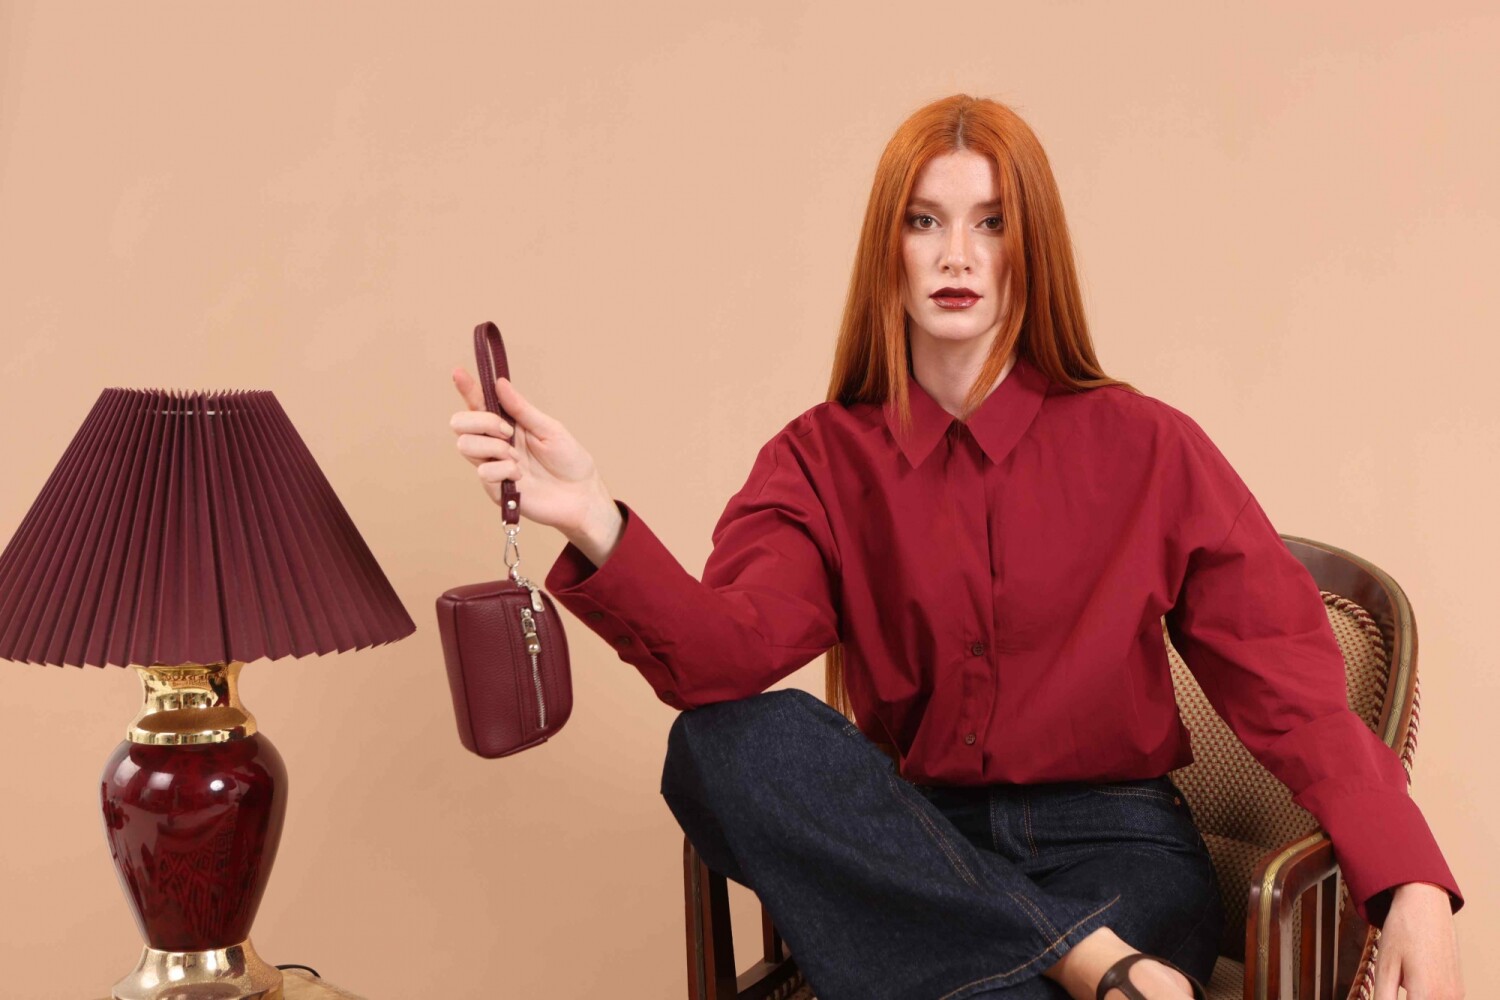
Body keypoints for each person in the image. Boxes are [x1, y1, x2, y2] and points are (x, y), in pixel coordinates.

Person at [448, 94, 1465, 1000]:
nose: (957, 256)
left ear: (1033, 248)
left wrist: (1410, 880)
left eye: (992, 223)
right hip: (913, 847)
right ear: (887, 249)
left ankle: (1059, 952)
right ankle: (1082, 960)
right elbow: (724, 658)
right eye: (924, 221)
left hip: (1119, 850)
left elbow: (1293, 691)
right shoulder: (816, 459)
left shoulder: (1149, 446)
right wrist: (592, 516)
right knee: (721, 745)